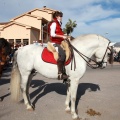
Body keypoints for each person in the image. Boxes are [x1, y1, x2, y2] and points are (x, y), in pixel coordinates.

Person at [48, 11, 69, 80]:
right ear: (57, 17)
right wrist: (62, 36)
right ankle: (60, 74)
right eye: (60, 16)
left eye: (61, 16)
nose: (61, 17)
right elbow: (52, 34)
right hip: (54, 43)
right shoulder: (54, 23)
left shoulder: (59, 24)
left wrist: (65, 35)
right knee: (62, 54)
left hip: (59, 42)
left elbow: (59, 34)